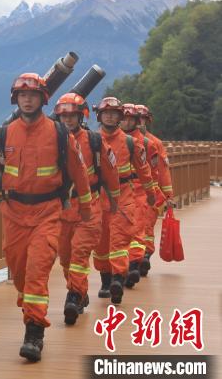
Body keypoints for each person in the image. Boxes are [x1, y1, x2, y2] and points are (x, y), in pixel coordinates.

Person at [0, 73, 91, 362]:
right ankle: (30, 306)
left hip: (48, 213)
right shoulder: (3, 135)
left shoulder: (59, 134)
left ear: (43, 99)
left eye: (33, 95)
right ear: (16, 99)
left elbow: (79, 173)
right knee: (19, 270)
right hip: (14, 215)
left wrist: (85, 208)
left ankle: (34, 332)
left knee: (37, 270)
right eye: (22, 95)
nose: (28, 99)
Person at [53, 93, 120, 325]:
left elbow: (111, 172)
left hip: (89, 207)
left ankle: (73, 296)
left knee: (79, 253)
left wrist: (114, 200)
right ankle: (80, 292)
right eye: (64, 116)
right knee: (65, 257)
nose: (68, 120)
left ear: (81, 117)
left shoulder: (94, 141)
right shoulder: (53, 141)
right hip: (62, 210)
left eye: (72, 115)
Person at [91, 97, 155, 305]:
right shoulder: (92, 140)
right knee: (101, 244)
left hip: (123, 196)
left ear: (120, 116)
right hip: (98, 197)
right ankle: (105, 280)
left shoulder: (130, 143)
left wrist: (151, 192)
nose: (110, 117)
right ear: (100, 116)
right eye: (106, 113)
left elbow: (144, 170)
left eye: (114, 113)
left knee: (119, 240)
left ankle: (118, 279)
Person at [120, 104, 159, 288]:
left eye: (131, 119)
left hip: (140, 191)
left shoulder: (148, 144)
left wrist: (158, 193)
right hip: (118, 192)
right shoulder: (106, 140)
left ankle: (134, 263)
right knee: (119, 231)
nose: (127, 122)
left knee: (138, 227)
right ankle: (124, 268)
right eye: (124, 118)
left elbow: (156, 171)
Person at [136, 104, 175, 276]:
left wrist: (168, 196)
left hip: (151, 193)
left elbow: (163, 171)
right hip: (127, 192)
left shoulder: (154, 143)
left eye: (142, 119)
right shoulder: (122, 141)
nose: (139, 122)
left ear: (147, 121)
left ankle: (145, 255)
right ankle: (135, 259)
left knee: (147, 225)